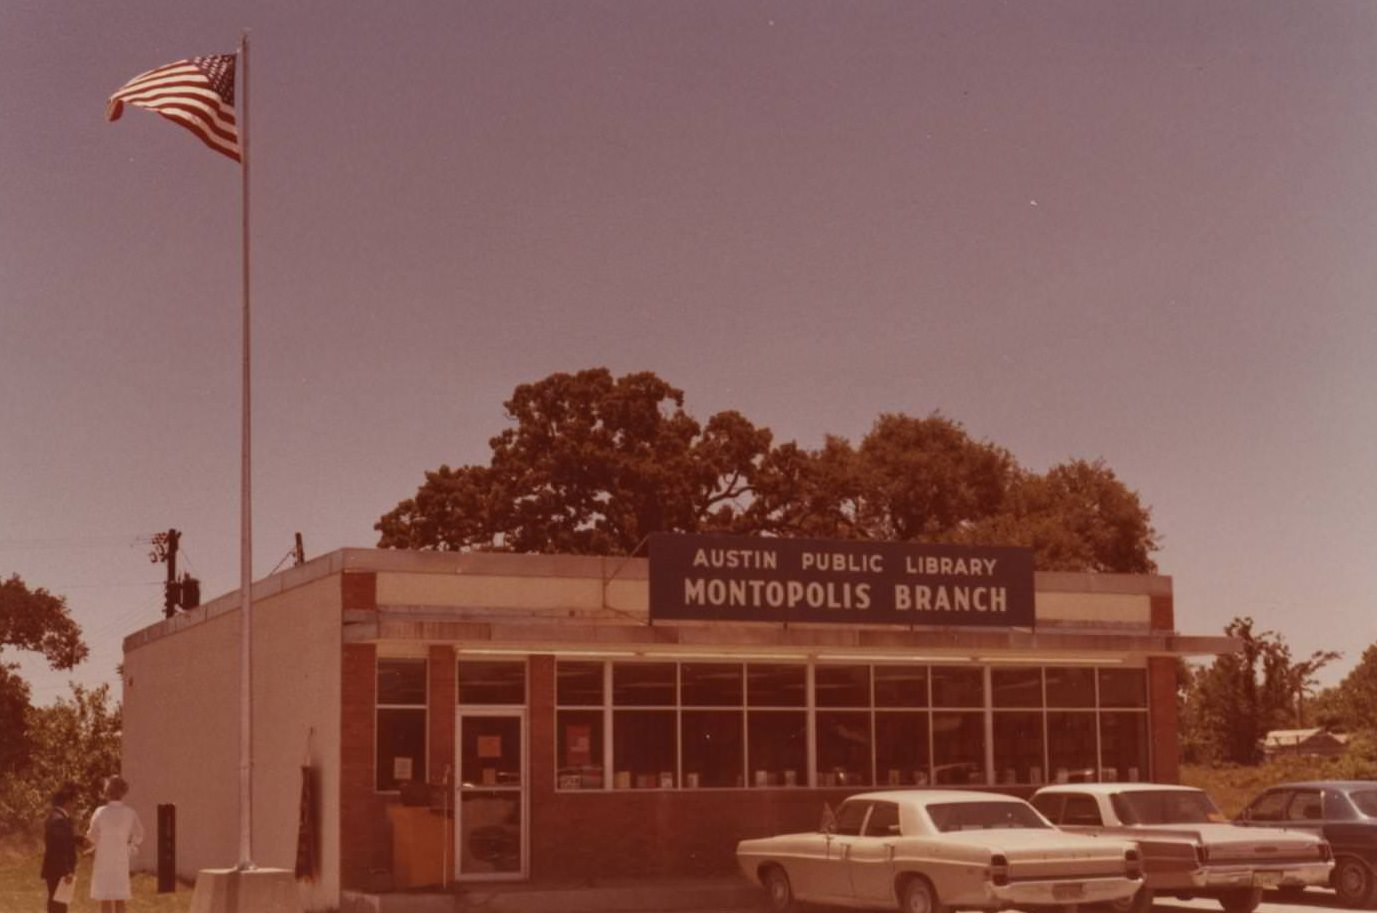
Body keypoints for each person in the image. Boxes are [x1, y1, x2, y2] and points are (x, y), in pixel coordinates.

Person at [86, 775, 144, 913]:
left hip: (104, 858)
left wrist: (95, 843)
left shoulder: (100, 812)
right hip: (121, 858)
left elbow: (92, 835)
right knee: (120, 896)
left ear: (107, 792)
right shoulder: (130, 813)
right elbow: (139, 833)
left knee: (105, 897)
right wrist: (131, 847)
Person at [40, 782, 85, 913]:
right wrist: (66, 871)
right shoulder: (59, 820)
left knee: (58, 903)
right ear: (68, 801)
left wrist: (80, 840)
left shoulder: (57, 817)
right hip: (58, 870)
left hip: (55, 869)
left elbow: (64, 839)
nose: (75, 805)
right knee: (58, 905)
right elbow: (58, 849)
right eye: (74, 801)